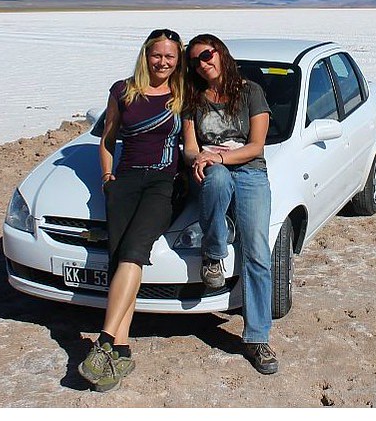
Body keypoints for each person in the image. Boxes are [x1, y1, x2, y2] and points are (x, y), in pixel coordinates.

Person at [78, 28, 185, 392]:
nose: (163, 62)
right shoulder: (123, 91)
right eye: (158, 55)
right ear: (146, 55)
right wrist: (108, 175)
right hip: (124, 181)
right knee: (120, 257)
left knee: (135, 252)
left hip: (161, 184)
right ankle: (121, 350)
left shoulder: (183, 94)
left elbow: (190, 143)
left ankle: (104, 339)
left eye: (170, 56)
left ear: (177, 59)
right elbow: (108, 137)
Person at [182, 34, 279, 375]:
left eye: (206, 55)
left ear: (220, 53)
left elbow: (255, 146)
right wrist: (198, 159)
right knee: (218, 178)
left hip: (251, 172)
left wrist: (220, 156)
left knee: (257, 251)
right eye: (194, 61)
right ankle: (213, 254)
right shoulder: (194, 99)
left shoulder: (251, 92)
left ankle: (256, 338)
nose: (202, 63)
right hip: (212, 174)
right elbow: (190, 147)